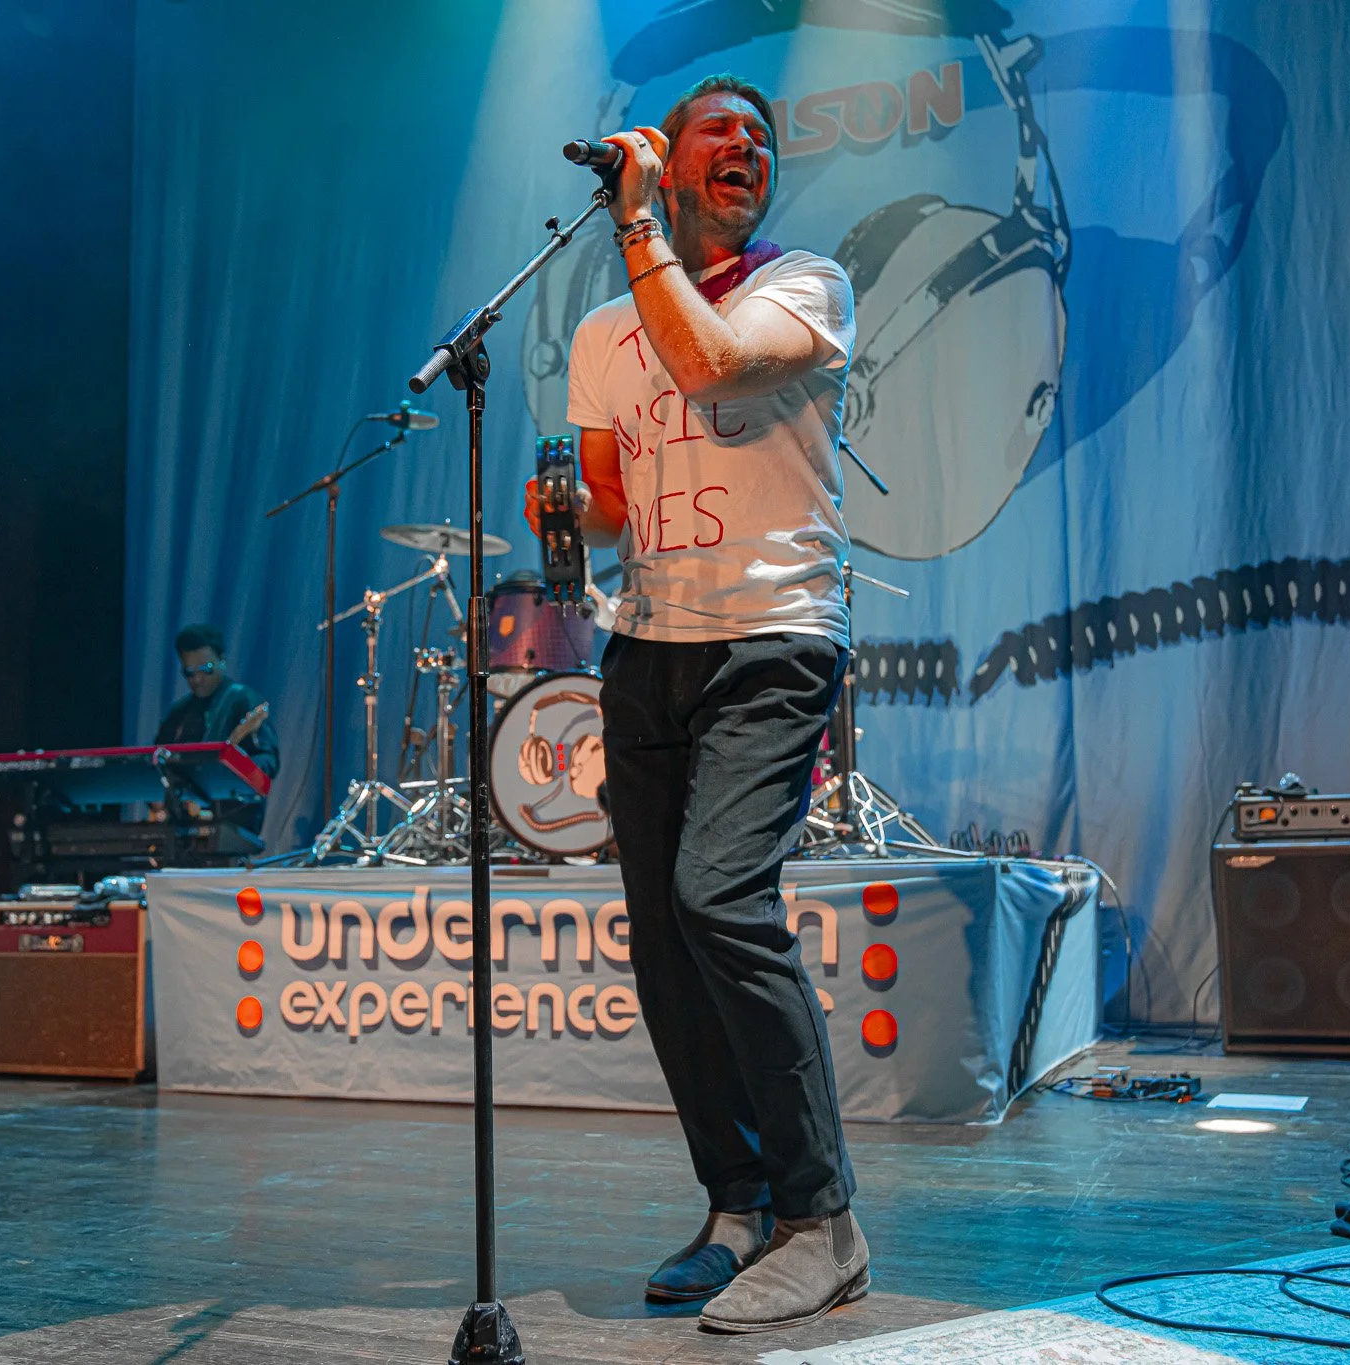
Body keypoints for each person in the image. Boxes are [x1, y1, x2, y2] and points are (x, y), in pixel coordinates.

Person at [526, 74, 865, 1333]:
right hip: (647, 643)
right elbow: (613, 508)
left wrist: (633, 225)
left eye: (761, 136)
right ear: (666, 160)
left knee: (718, 896)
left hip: (772, 633)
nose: (748, 147)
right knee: (664, 944)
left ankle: (822, 1222)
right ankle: (736, 1204)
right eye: (721, 131)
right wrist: (569, 512)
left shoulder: (804, 285)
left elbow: (712, 367)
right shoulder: (598, 335)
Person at [154, 623, 279, 833]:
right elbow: (156, 762)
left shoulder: (242, 701)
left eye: (206, 669)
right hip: (181, 826)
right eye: (189, 672)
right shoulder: (179, 712)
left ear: (222, 660)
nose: (197, 679)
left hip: (232, 822)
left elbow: (268, 762)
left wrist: (233, 772)